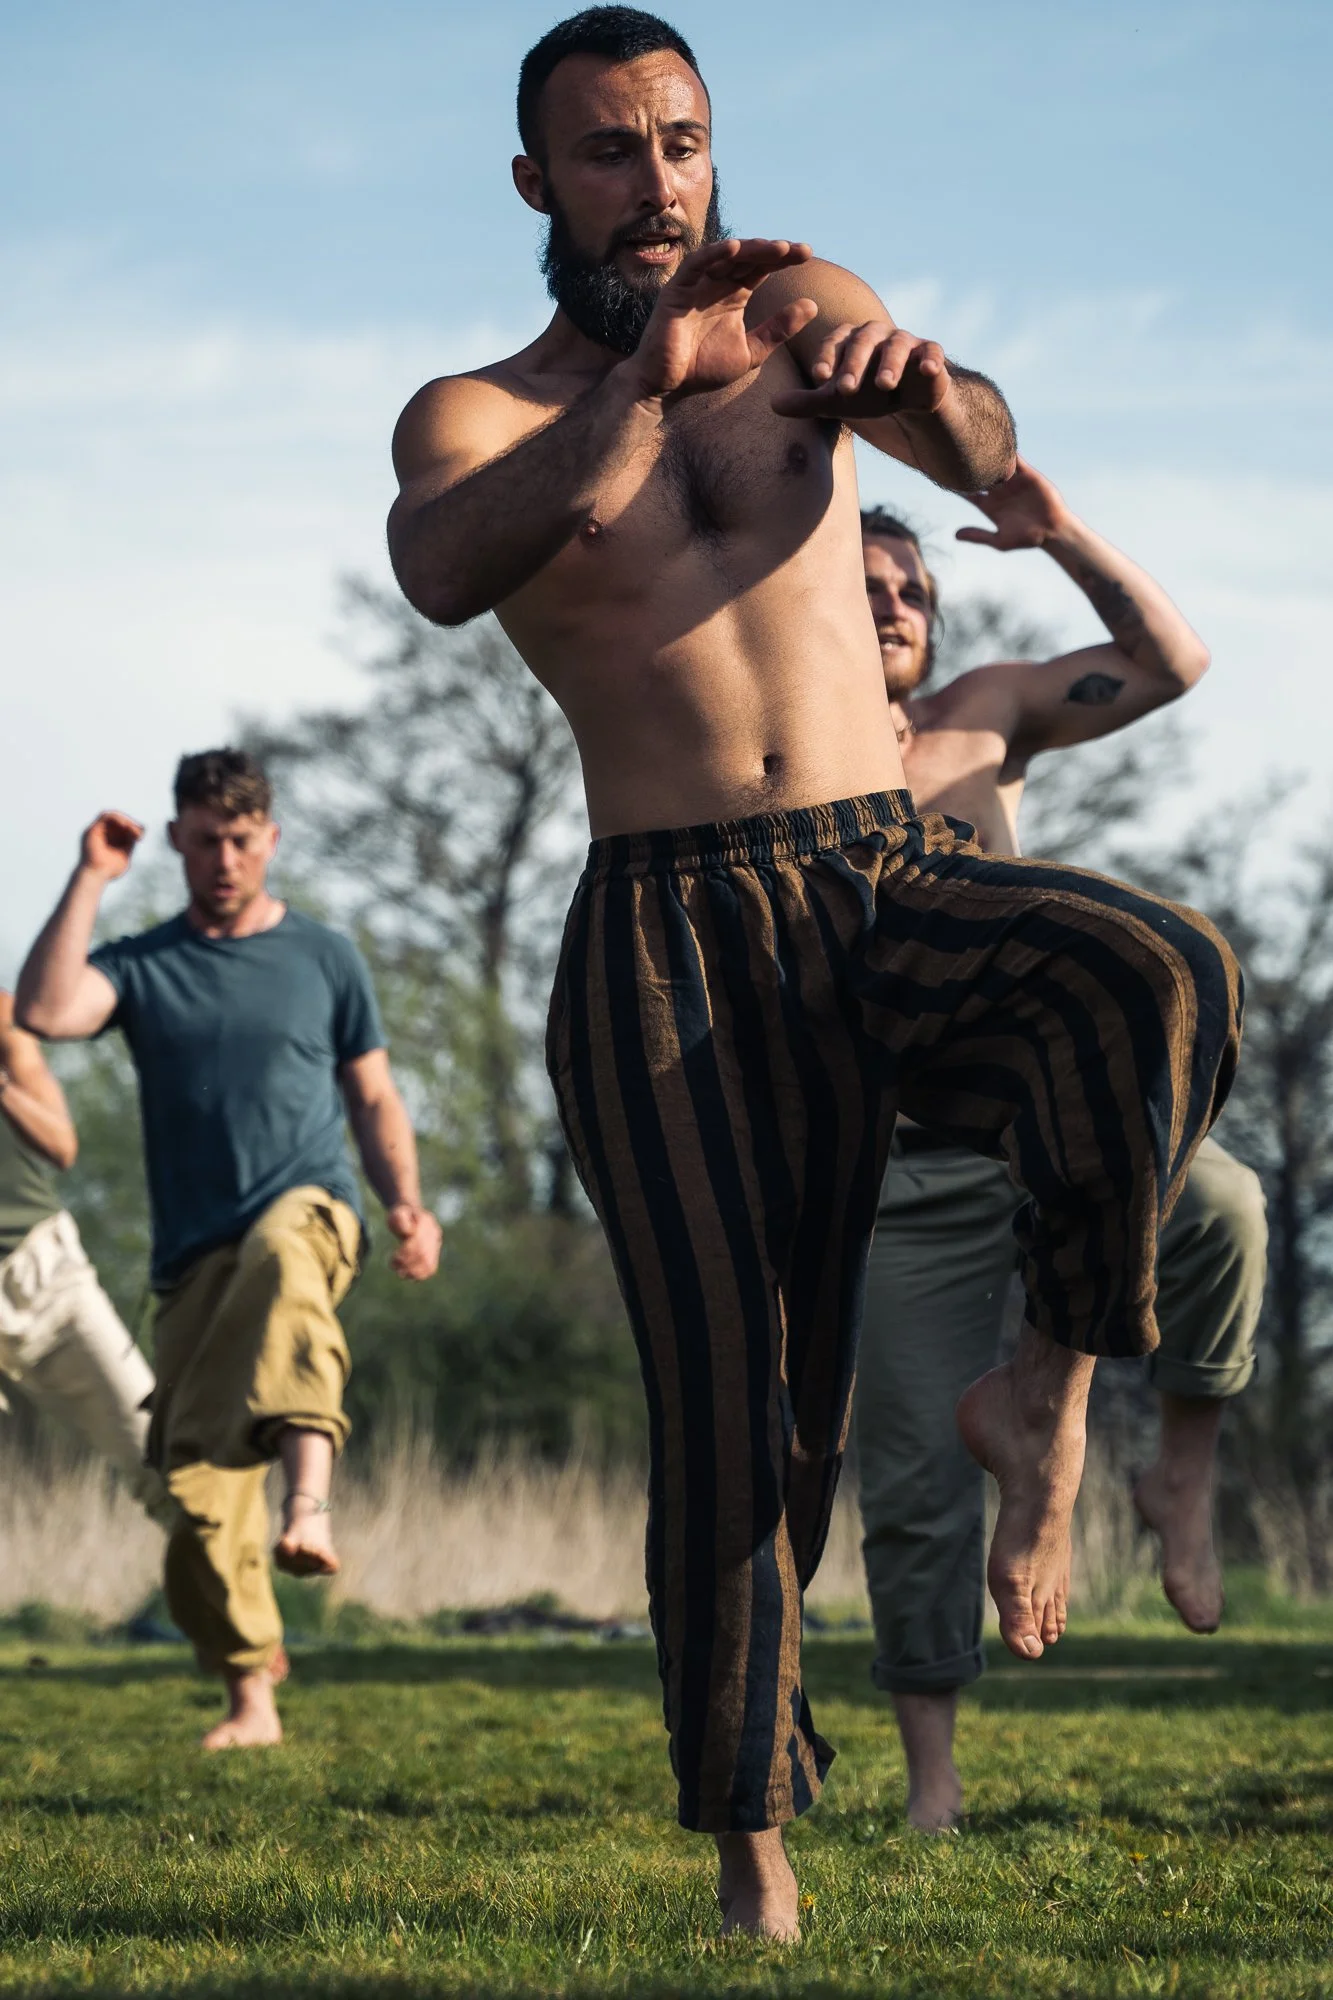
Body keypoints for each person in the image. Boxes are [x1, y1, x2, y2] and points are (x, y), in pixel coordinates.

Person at [386, 6, 1241, 1938]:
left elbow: (987, 445)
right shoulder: (478, 412)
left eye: (681, 141)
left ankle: (1046, 1382)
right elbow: (447, 567)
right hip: (663, 933)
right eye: (608, 151)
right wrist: (648, 382)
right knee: (747, 1410)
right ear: (536, 183)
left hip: (871, 873)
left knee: (1152, 972)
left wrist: (924, 394)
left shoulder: (800, 311)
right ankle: (751, 1837)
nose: (657, 183)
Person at [855, 463, 1267, 1831]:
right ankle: (932, 1783)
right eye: (865, 592)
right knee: (917, 1472)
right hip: (900, 1172)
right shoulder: (768, 756)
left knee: (1223, 1208)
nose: (898, 608)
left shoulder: (978, 720)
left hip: (1042, 1127)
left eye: (913, 591)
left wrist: (1063, 538)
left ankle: (1177, 1475)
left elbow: (1172, 660)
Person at [16, 748, 442, 1750]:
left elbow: (373, 1094)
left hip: (313, 1211)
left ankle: (309, 1501)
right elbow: (41, 1010)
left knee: (288, 1258)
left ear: (271, 841)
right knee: (197, 1496)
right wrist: (89, 875)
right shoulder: (144, 961)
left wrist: (408, 1204)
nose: (223, 857)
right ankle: (252, 1695)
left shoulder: (325, 957)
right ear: (176, 838)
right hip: (191, 1262)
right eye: (205, 839)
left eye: (242, 839)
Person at [0, 989, 166, 1518]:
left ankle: (227, 1596)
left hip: (41, 1271)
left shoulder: (2, 1016)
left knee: (160, 1456)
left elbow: (60, 1144)